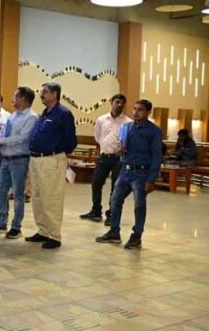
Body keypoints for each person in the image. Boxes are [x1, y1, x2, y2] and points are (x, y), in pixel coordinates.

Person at [96, 99, 162, 249]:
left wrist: (151, 179)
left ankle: (137, 235)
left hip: (141, 172)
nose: (136, 112)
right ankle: (114, 231)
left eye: (140, 110)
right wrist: (119, 152)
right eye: (135, 109)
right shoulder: (127, 127)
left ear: (148, 112)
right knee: (115, 200)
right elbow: (121, 147)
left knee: (139, 205)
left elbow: (157, 156)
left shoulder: (153, 131)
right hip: (125, 170)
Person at [25, 82, 77, 249]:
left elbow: (71, 141)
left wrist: (57, 153)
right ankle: (43, 231)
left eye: (45, 92)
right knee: (38, 197)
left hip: (51, 160)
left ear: (55, 94)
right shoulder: (44, 112)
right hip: (35, 159)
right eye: (41, 91)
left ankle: (54, 235)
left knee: (51, 198)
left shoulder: (63, 113)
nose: (41, 94)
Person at [0, 87, 38, 238]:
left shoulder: (32, 117)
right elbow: (3, 130)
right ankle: (1, 222)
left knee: (18, 194)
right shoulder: (13, 115)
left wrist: (1, 141)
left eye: (15, 96)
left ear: (23, 99)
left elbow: (23, 138)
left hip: (19, 160)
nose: (12, 99)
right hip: (6, 159)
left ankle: (16, 227)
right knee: (0, 190)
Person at [80, 94, 132, 224]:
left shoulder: (128, 122)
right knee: (96, 183)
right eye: (117, 102)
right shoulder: (101, 119)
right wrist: (106, 147)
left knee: (116, 186)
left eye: (122, 103)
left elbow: (129, 141)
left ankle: (112, 214)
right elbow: (97, 137)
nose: (119, 105)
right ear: (111, 102)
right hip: (104, 156)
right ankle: (96, 210)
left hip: (119, 159)